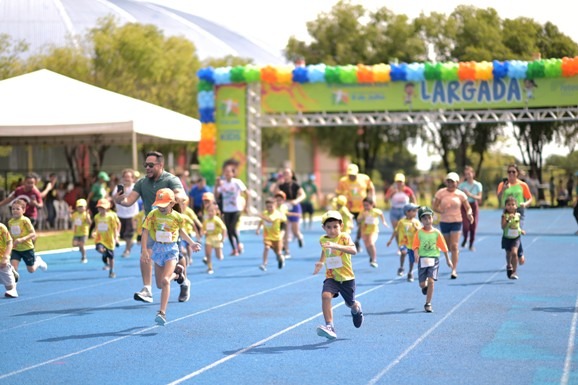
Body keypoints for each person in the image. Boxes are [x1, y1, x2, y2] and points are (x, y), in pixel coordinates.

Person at [114, 151, 189, 304]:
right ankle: (147, 289)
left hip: (170, 227)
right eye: (145, 165)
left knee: (178, 258)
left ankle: (183, 281)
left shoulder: (171, 179)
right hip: (151, 226)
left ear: (160, 165)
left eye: (150, 165)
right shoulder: (142, 183)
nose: (147, 168)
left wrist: (179, 197)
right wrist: (120, 199)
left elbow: (181, 194)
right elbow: (129, 201)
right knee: (145, 254)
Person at [141, 188, 201, 326]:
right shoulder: (152, 214)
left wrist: (191, 243)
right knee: (159, 285)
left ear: (172, 203)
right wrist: (144, 250)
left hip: (171, 250)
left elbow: (181, 232)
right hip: (157, 249)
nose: (160, 208)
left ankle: (161, 313)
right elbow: (145, 232)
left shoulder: (177, 217)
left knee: (166, 281)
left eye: (164, 205)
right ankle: (178, 275)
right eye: (159, 205)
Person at [313, 210, 363, 340]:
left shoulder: (344, 237)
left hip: (347, 278)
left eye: (335, 226)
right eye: (328, 227)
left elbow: (353, 250)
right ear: (323, 228)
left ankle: (356, 308)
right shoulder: (323, 239)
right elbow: (325, 251)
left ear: (341, 226)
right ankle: (330, 326)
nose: (332, 230)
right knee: (325, 296)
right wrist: (320, 262)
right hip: (332, 276)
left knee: (350, 303)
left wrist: (337, 245)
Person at [432, 172, 474, 279]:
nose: (450, 184)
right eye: (449, 181)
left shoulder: (461, 194)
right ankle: (453, 254)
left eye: (453, 182)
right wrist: (440, 210)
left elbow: (468, 207)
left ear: (457, 183)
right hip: (445, 222)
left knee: (454, 246)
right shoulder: (441, 193)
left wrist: (469, 213)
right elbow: (434, 206)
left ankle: (454, 270)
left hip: (456, 221)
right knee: (447, 247)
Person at [412, 206, 452, 313]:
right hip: (423, 259)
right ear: (421, 220)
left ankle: (428, 303)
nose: (427, 220)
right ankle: (425, 288)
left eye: (429, 217)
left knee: (431, 281)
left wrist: (448, 260)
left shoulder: (436, 233)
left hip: (434, 259)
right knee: (422, 284)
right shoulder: (419, 233)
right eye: (424, 218)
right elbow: (415, 245)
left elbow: (444, 247)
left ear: (432, 218)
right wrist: (416, 253)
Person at [496, 164, 533, 263]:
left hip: (519, 211)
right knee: (508, 232)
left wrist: (525, 204)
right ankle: (513, 253)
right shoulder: (502, 184)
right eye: (509, 172)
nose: (511, 174)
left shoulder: (522, 185)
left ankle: (519, 253)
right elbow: (498, 197)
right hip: (506, 211)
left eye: (513, 172)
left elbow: (530, 198)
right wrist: (504, 189)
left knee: (516, 229)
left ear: (517, 173)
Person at [335, 164, 376, 252]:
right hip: (347, 208)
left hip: (361, 208)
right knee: (344, 226)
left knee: (361, 227)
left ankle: (357, 240)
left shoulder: (365, 178)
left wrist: (373, 199)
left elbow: (371, 188)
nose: (351, 176)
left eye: (353, 175)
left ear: (357, 173)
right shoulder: (343, 181)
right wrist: (338, 202)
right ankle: (343, 243)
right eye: (350, 175)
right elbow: (338, 193)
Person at [215, 160, 249, 256]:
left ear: (233, 173)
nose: (227, 174)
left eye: (229, 172)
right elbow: (217, 195)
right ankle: (234, 249)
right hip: (226, 209)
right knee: (229, 229)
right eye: (225, 172)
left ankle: (238, 244)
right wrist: (217, 185)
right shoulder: (222, 183)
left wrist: (246, 206)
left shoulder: (237, 182)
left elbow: (247, 193)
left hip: (237, 209)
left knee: (232, 228)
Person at [8, 199, 48, 275]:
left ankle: (38, 261)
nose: (15, 211)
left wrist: (22, 239)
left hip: (27, 248)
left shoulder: (25, 220)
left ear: (23, 210)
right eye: (13, 209)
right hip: (16, 249)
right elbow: (11, 233)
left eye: (17, 209)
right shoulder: (10, 222)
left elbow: (33, 233)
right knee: (13, 268)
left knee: (31, 269)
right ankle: (13, 286)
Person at [271, 167, 306, 249]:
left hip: (294, 206)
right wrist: (277, 183)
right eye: (284, 173)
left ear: (291, 174)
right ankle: (286, 250)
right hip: (284, 207)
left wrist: (296, 200)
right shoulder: (281, 185)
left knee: (295, 230)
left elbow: (303, 195)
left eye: (287, 173)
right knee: (285, 230)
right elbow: (274, 193)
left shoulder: (295, 184)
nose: (285, 175)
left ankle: (299, 237)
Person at [386, 203, 421, 281]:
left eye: (416, 211)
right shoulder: (401, 222)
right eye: (414, 211)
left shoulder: (416, 222)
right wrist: (390, 240)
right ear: (407, 212)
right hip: (403, 242)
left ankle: (410, 272)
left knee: (411, 259)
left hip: (412, 243)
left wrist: (417, 228)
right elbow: (396, 231)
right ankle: (401, 267)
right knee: (404, 253)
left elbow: (421, 231)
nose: (415, 213)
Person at [112, 169, 140, 258]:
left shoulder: (135, 187)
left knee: (129, 234)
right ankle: (129, 243)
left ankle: (127, 250)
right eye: (125, 177)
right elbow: (114, 198)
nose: (127, 179)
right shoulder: (118, 187)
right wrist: (119, 194)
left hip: (132, 214)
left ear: (133, 178)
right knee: (123, 235)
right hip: (121, 214)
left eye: (129, 177)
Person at [256, 197, 286, 271]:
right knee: (266, 248)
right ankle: (264, 264)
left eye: (271, 207)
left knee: (278, 253)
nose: (269, 208)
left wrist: (260, 215)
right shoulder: (265, 213)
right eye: (267, 207)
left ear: (275, 206)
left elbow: (270, 220)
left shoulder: (277, 214)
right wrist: (258, 229)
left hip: (277, 237)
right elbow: (261, 221)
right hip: (267, 236)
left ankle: (281, 259)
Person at [357, 197, 388, 268]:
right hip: (364, 231)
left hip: (373, 231)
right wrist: (362, 217)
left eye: (367, 205)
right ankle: (371, 257)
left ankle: (374, 260)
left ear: (372, 204)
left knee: (371, 243)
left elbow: (381, 214)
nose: (366, 207)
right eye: (364, 205)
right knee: (367, 245)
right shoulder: (362, 212)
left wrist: (384, 222)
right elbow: (358, 220)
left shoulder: (375, 211)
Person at [92, 198, 120, 278]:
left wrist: (116, 237)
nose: (101, 210)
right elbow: (96, 226)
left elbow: (115, 228)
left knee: (111, 257)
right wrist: (94, 232)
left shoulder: (111, 217)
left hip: (109, 239)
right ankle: (104, 254)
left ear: (107, 208)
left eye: (103, 208)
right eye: (99, 208)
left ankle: (112, 271)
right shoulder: (97, 217)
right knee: (99, 249)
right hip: (100, 238)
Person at [458, 166, 483, 251]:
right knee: (465, 225)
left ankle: (471, 244)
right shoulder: (462, 185)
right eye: (466, 174)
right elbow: (456, 191)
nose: (468, 176)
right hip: (464, 205)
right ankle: (465, 238)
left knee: (473, 225)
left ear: (473, 174)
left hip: (473, 205)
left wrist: (470, 194)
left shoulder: (477, 185)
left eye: (469, 173)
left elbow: (479, 197)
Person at [384, 172, 417, 236]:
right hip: (394, 211)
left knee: (404, 229)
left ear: (403, 182)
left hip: (404, 211)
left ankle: (405, 244)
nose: (399, 183)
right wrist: (391, 193)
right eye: (397, 182)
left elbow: (413, 199)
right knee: (396, 231)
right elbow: (385, 200)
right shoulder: (391, 190)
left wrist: (414, 209)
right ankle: (399, 245)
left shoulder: (407, 190)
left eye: (400, 182)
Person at [501, 196, 526, 280]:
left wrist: (521, 231)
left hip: (516, 238)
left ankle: (514, 272)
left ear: (516, 206)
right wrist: (508, 220)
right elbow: (503, 227)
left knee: (514, 253)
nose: (511, 206)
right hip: (507, 237)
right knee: (508, 254)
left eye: (513, 204)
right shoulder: (504, 216)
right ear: (505, 206)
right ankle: (509, 265)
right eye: (508, 205)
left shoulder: (518, 215)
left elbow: (517, 226)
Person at [201, 203, 227, 275]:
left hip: (217, 238)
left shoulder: (217, 220)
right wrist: (203, 233)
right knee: (208, 254)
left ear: (215, 212)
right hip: (209, 238)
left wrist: (223, 238)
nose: (210, 213)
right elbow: (202, 229)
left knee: (219, 257)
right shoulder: (206, 221)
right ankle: (210, 268)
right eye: (209, 211)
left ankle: (220, 253)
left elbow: (224, 228)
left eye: (212, 211)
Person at [87, 171, 110, 237]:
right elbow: (90, 196)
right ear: (100, 178)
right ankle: (91, 232)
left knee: (102, 217)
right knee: (97, 217)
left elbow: (105, 194)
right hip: (95, 204)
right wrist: (87, 205)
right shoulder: (96, 186)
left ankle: (100, 231)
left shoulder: (103, 185)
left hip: (102, 203)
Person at [71, 198, 92, 263]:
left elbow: (89, 223)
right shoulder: (75, 214)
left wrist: (88, 218)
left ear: (85, 207)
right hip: (76, 232)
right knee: (74, 244)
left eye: (81, 207)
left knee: (82, 245)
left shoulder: (86, 214)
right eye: (79, 207)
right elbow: (72, 220)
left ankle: (84, 257)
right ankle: (81, 247)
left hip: (84, 232)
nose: (80, 208)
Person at [0, 222, 18, 298]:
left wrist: (6, 257)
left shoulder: (1, 228)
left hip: (1, 260)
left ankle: (12, 275)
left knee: (9, 288)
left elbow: (9, 242)